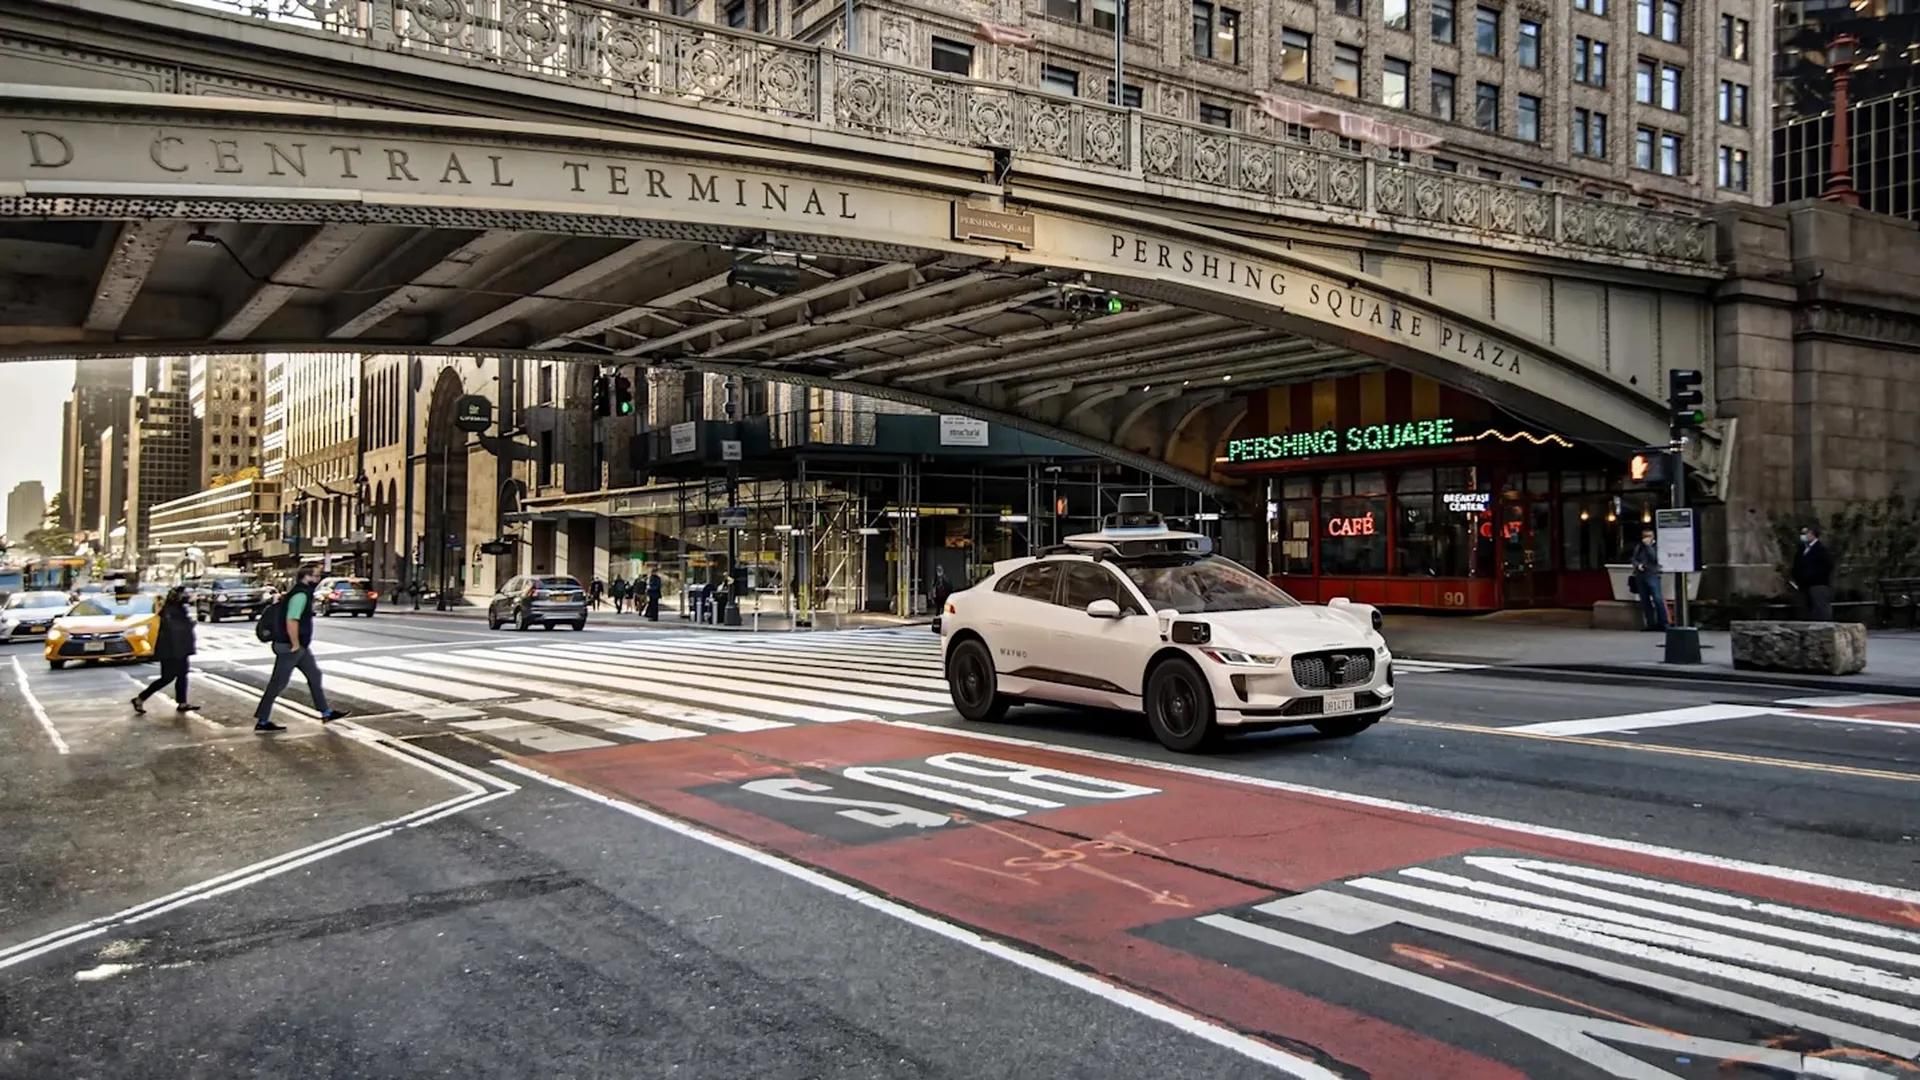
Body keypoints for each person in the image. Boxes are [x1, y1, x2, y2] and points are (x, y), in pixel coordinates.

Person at [252, 562, 351, 733]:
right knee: (278, 683)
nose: (318, 579)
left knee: (314, 675)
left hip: (296, 647)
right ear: (306, 577)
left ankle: (326, 712)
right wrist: (295, 643)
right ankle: (262, 720)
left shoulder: (301, 592)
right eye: (316, 575)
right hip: (290, 646)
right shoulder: (300, 595)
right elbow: (292, 620)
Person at [131, 587, 199, 715]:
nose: (186, 596)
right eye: (183, 594)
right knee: (167, 677)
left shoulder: (178, 609)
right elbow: (174, 631)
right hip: (171, 650)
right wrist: (189, 626)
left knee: (182, 675)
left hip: (180, 649)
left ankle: (182, 702)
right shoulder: (169, 611)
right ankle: (140, 698)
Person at [1793, 523, 1834, 621]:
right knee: (1807, 611)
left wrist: (1812, 576)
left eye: (1805, 533)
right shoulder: (1802, 549)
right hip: (1804, 585)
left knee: (1821, 610)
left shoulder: (1821, 549)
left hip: (1818, 584)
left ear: (1812, 534)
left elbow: (1827, 566)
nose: (1803, 536)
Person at [1630, 527, 1668, 632]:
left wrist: (1648, 546)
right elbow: (1633, 558)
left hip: (1653, 574)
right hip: (1641, 575)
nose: (1646, 538)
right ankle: (1650, 623)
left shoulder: (1656, 546)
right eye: (1644, 536)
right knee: (1645, 600)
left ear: (1653, 537)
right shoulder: (1639, 546)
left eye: (1649, 536)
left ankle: (1663, 623)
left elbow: (1654, 558)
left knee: (1657, 599)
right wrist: (1637, 565)